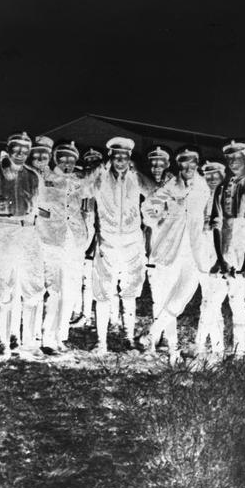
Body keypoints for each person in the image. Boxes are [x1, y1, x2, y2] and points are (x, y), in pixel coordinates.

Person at [0, 132, 44, 361]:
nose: (21, 154)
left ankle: (28, 345)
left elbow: (40, 208)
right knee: (5, 292)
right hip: (4, 234)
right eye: (16, 149)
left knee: (33, 290)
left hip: (29, 234)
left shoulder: (34, 177)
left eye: (25, 151)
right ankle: (4, 344)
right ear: (8, 149)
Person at [140, 145, 210, 365]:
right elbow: (148, 207)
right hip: (171, 249)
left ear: (197, 163)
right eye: (183, 162)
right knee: (165, 297)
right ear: (178, 164)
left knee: (182, 297)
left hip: (195, 251)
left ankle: (152, 332)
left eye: (192, 162)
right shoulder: (172, 185)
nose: (188, 167)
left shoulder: (205, 185)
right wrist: (158, 222)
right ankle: (173, 348)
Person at [91, 136, 156, 353]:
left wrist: (137, 173)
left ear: (130, 159)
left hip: (131, 242)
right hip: (107, 242)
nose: (121, 161)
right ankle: (102, 341)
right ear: (110, 157)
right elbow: (81, 189)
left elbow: (155, 193)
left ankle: (128, 338)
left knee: (129, 291)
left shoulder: (134, 178)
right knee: (103, 291)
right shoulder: (100, 178)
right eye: (116, 156)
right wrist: (98, 170)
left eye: (125, 157)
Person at [209, 139, 245, 358]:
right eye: (229, 158)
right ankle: (239, 351)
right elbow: (217, 224)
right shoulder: (222, 188)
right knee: (235, 302)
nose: (234, 161)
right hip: (229, 251)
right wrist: (221, 257)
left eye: (237, 157)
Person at [37, 141, 98, 354]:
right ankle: (45, 337)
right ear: (55, 159)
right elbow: (36, 205)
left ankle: (61, 336)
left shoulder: (77, 181)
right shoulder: (44, 178)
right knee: (53, 290)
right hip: (51, 240)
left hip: (75, 241)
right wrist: (45, 218)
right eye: (63, 159)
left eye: (71, 160)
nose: (67, 164)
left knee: (70, 291)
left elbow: (95, 179)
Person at [195, 160, 229, 363]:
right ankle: (218, 348)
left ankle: (199, 343)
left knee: (212, 300)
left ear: (222, 176)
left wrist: (220, 257)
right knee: (208, 301)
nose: (211, 179)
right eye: (207, 176)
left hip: (221, 252)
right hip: (203, 251)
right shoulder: (201, 197)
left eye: (215, 175)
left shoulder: (226, 196)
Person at [73, 147, 104, 327]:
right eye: (89, 161)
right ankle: (80, 311)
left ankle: (88, 314)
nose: (91, 164)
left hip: (98, 235)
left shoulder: (104, 184)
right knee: (80, 275)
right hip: (81, 232)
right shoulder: (83, 182)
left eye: (95, 161)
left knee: (93, 278)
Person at [145, 144, 176, 321]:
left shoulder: (173, 184)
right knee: (156, 286)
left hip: (169, 240)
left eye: (160, 164)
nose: (156, 168)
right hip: (152, 237)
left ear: (168, 164)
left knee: (168, 287)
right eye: (153, 164)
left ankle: (167, 334)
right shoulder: (150, 184)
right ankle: (157, 331)